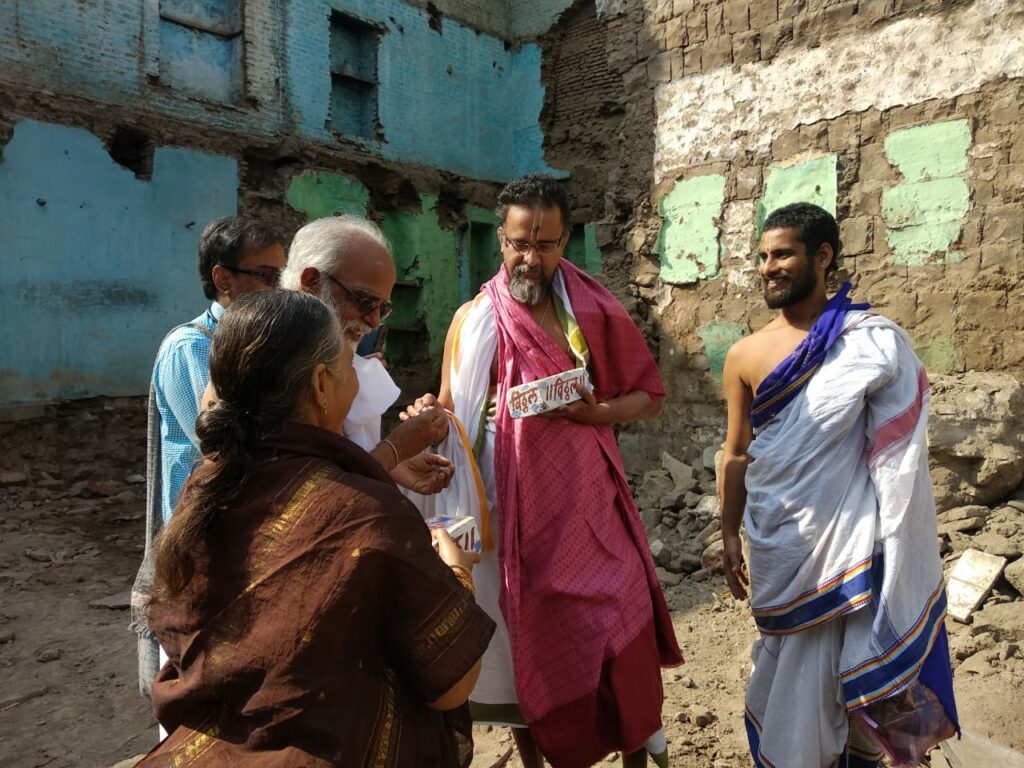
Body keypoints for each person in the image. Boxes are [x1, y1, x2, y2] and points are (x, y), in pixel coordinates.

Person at [136, 290, 496, 767]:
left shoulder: (205, 489)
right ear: (321, 385)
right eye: (350, 362)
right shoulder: (366, 513)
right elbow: (452, 687)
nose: (358, 376)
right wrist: (457, 569)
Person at [408, 174, 683, 768]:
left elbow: (648, 396)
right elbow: (453, 406)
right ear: (499, 240)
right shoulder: (473, 317)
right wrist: (430, 413)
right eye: (518, 244)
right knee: (518, 636)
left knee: (615, 618)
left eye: (548, 244)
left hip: (585, 511)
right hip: (502, 511)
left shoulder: (592, 307)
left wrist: (594, 413)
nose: (532, 258)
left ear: (566, 243)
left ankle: (636, 754)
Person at [720, 203, 959, 768]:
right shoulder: (745, 354)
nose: (767, 267)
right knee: (789, 677)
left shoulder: (871, 341)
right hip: (787, 549)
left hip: (855, 547)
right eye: (761, 256)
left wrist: (896, 538)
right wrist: (728, 533)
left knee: (859, 694)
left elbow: (896, 455)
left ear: (823, 256)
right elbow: (736, 454)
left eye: (782, 253)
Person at [131, 216, 286, 697]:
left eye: (279, 277)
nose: (274, 289)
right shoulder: (191, 347)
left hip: (243, 527)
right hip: (197, 534)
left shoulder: (258, 345)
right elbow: (221, 443)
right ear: (223, 279)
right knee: (190, 678)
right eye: (264, 275)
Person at [280, 215, 452, 495]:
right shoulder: (267, 361)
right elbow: (309, 500)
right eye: (364, 302)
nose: (373, 322)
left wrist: (395, 464)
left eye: (382, 309)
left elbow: (344, 461)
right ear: (311, 282)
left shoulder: (339, 357)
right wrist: (392, 451)